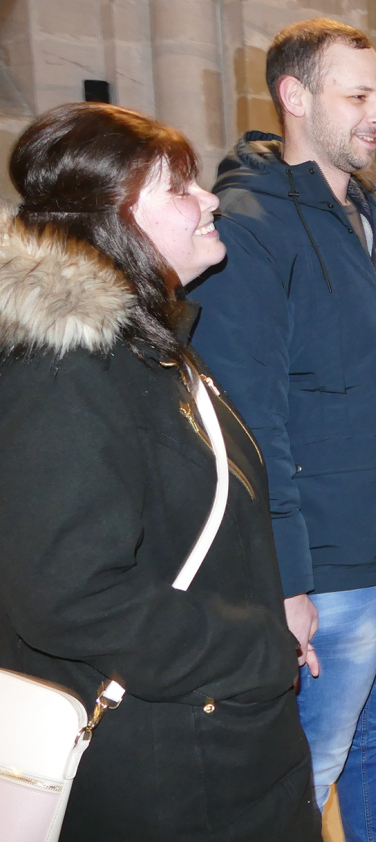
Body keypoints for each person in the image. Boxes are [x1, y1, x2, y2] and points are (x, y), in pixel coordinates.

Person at [0, 103, 318, 840]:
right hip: (165, 757)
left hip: (210, 718)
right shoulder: (64, 370)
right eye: (179, 187)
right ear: (115, 218)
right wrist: (253, 645)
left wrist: (273, 608)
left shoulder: (149, 339)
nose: (209, 199)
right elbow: (68, 593)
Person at [189, 18, 376, 840]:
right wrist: (286, 577)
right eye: (358, 95)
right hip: (334, 560)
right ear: (295, 96)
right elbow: (248, 420)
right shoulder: (248, 225)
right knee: (312, 758)